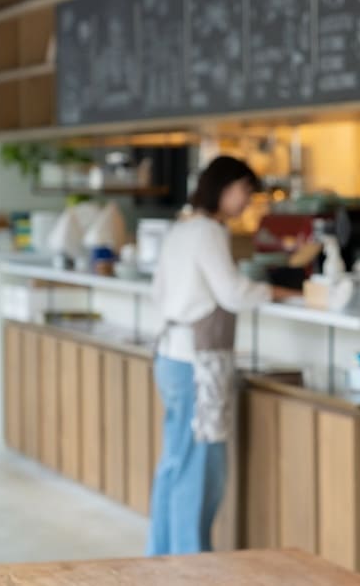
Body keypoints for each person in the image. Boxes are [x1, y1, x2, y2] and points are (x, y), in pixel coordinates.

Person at [148, 155, 298, 555]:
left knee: (174, 463)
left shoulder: (180, 230)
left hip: (169, 356)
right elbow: (232, 293)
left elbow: (158, 293)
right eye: (245, 191)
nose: (247, 201)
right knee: (199, 469)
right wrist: (278, 291)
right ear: (224, 187)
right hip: (198, 363)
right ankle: (191, 568)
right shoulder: (210, 231)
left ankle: (159, 559)